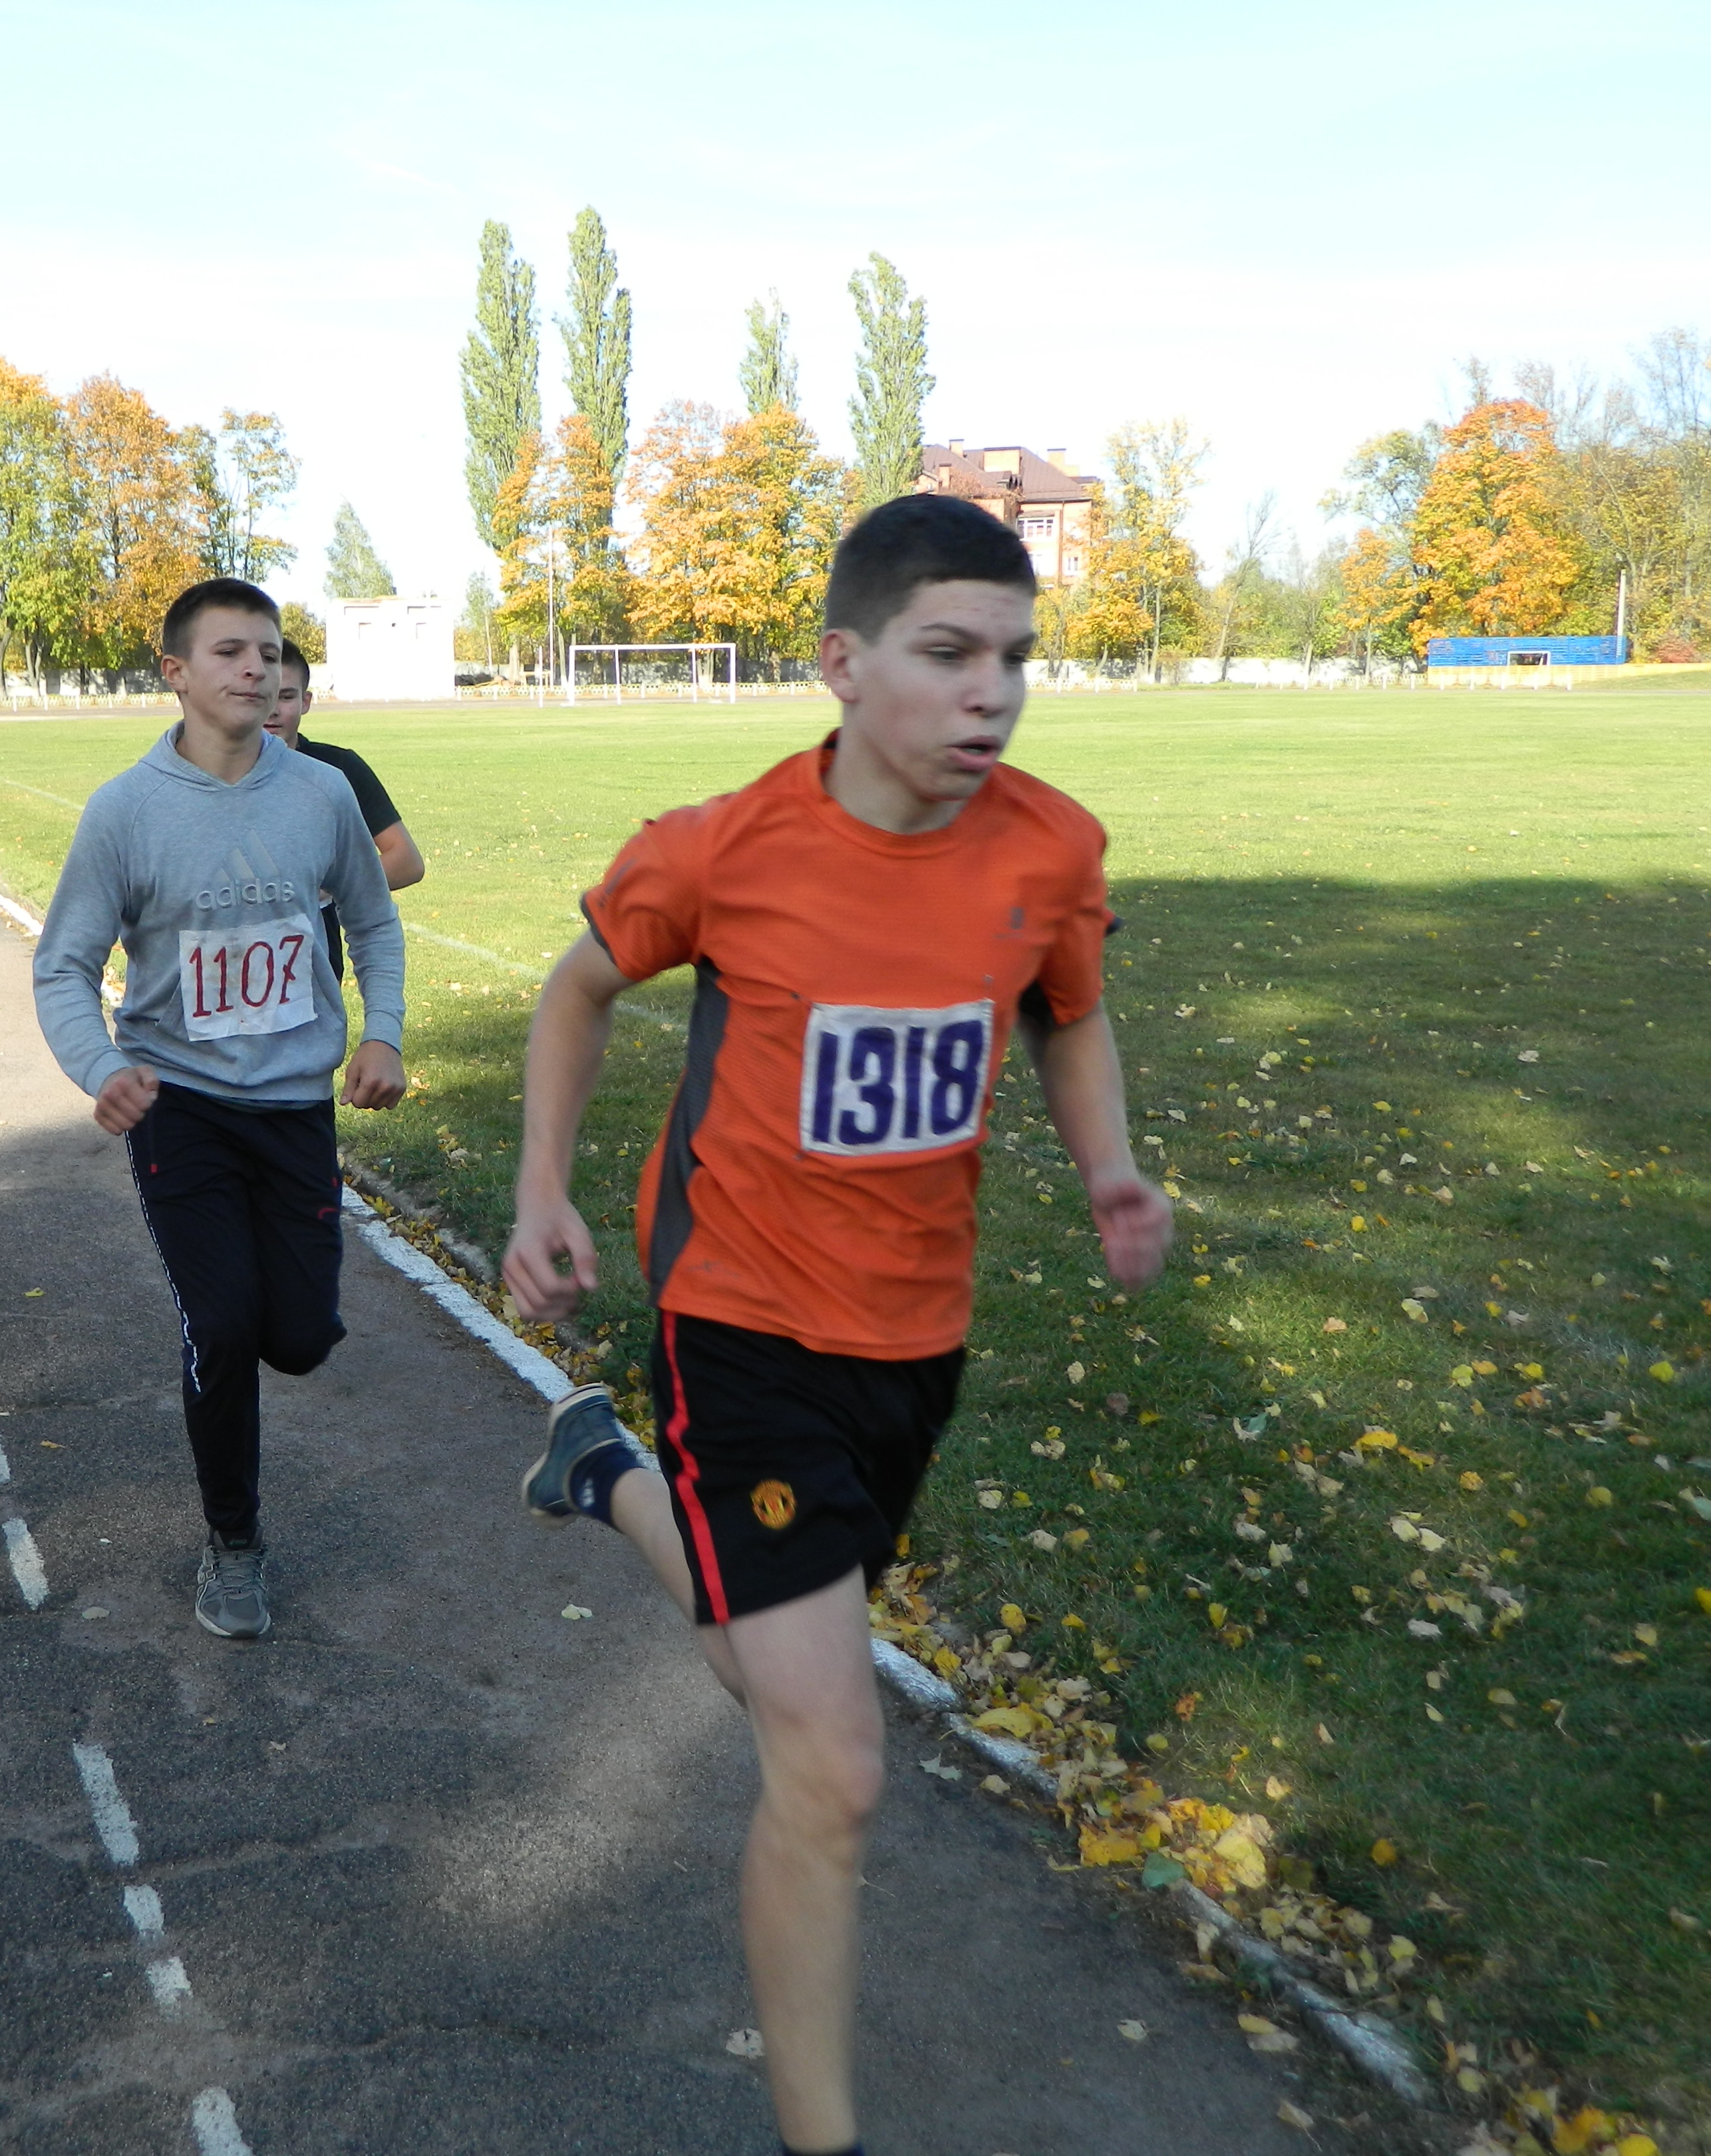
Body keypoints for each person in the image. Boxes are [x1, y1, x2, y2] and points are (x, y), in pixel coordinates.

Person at [500, 494, 1171, 2156]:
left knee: (768, 1668)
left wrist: (1111, 1168)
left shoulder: (1050, 848)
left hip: (914, 1337)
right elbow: (578, 987)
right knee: (836, 1760)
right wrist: (540, 1191)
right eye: (948, 653)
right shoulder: (726, 848)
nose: (990, 692)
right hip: (740, 1318)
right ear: (843, 663)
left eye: (1015, 657)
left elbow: (1069, 1016)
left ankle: (606, 1472)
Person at [31, 578, 408, 1642]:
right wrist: (100, 1068)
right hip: (179, 1106)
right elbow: (63, 967)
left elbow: (376, 926)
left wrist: (381, 1034)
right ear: (178, 674)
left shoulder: (323, 795)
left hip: (294, 1109)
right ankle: (234, 1544)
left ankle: (283, 1328)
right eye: (231, 652)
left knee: (295, 1338)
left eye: (270, 652)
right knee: (225, 1322)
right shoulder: (126, 812)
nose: (256, 670)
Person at [266, 638, 425, 976]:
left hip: (315, 969)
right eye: (265, 694)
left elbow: (407, 862)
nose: (273, 709)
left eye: (287, 696)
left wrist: (323, 888)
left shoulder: (337, 770)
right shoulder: (212, 774)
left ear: (306, 702)